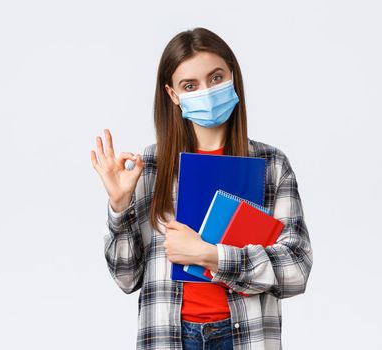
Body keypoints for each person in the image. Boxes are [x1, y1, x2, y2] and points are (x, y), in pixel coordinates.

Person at [91, 27, 313, 350]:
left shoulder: (272, 165)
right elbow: (126, 277)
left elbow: (296, 268)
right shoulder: (150, 167)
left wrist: (211, 256)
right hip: (170, 336)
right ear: (173, 95)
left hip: (245, 336)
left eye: (216, 77)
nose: (206, 92)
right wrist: (119, 205)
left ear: (232, 77)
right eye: (190, 85)